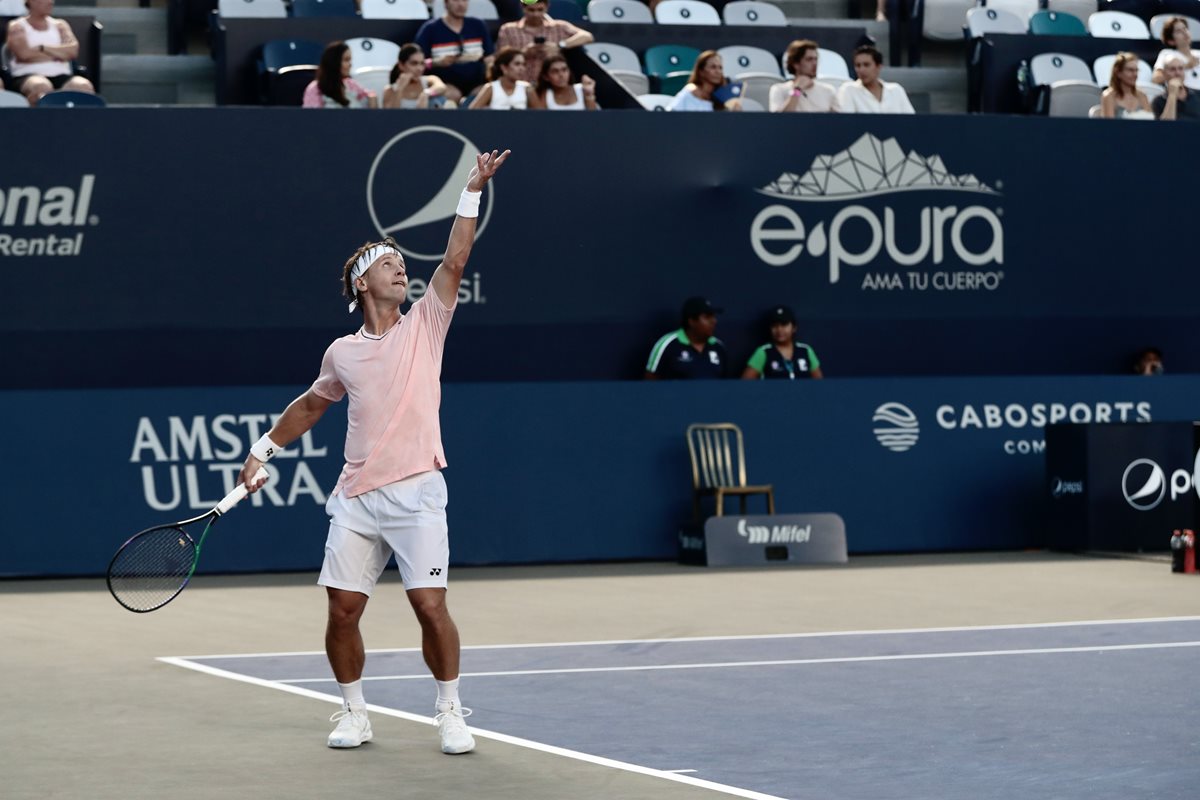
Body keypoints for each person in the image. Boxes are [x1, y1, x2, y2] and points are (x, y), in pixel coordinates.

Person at [236, 148, 511, 753]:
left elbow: (456, 258)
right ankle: (353, 713)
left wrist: (471, 190)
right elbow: (311, 405)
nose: (400, 269)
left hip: (417, 491)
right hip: (357, 498)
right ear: (363, 282)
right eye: (389, 264)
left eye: (402, 264)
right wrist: (262, 450)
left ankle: (449, 710)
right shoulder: (342, 352)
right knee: (341, 611)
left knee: (430, 606)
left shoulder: (427, 323)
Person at [5, 0, 95, 106]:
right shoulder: (17, 26)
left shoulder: (60, 25)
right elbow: (24, 54)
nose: (50, 2)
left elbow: (73, 51)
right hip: (27, 76)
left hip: (62, 75)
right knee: (41, 87)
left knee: (84, 86)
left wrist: (42, 48)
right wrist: (59, 54)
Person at [496, 0, 593, 90]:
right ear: (523, 7)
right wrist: (524, 52)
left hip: (552, 86)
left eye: (540, 10)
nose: (536, 14)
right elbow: (500, 58)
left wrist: (559, 46)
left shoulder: (559, 26)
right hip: (519, 85)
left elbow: (587, 36)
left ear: (547, 8)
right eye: (531, 10)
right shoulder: (508, 29)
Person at [415, 0, 495, 104]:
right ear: (446, 3)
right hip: (445, 84)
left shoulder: (478, 25)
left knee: (486, 92)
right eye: (456, 0)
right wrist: (437, 62)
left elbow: (489, 57)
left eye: (464, 0)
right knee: (452, 95)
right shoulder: (430, 29)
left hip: (477, 84)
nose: (461, 4)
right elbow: (416, 62)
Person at [645, 297, 730, 379]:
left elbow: (727, 383)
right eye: (707, 317)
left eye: (714, 317)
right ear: (691, 321)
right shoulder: (667, 344)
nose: (714, 321)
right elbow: (650, 381)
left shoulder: (718, 347)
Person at [741, 306, 824, 380]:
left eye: (784, 325)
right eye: (774, 326)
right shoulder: (763, 352)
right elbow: (745, 384)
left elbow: (819, 383)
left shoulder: (806, 350)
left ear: (794, 327)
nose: (779, 330)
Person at [836, 45, 914, 114]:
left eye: (866, 65)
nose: (861, 70)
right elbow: (846, 121)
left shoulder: (896, 90)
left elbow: (911, 120)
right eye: (858, 65)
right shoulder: (848, 90)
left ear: (878, 67)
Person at [769, 39, 839, 113]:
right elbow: (780, 119)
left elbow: (840, 119)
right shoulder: (779, 90)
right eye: (809, 59)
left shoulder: (828, 91)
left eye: (816, 59)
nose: (814, 63)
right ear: (796, 64)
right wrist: (797, 91)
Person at [303, 41, 377, 108]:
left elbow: (369, 95)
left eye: (350, 60)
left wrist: (372, 98)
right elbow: (312, 116)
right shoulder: (315, 89)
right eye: (346, 60)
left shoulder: (351, 84)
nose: (350, 64)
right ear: (334, 62)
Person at [382, 42, 455, 109]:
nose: (420, 68)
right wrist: (399, 89)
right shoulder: (390, 90)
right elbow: (391, 115)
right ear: (401, 65)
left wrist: (426, 93)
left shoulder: (429, 80)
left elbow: (441, 87)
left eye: (422, 63)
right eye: (414, 63)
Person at [667, 50, 742, 112]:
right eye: (713, 67)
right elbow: (670, 115)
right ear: (701, 71)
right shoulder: (690, 91)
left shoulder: (725, 95)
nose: (718, 71)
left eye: (720, 68)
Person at [527, 53, 597, 110]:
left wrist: (589, 95)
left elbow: (593, 118)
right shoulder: (545, 94)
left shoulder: (582, 89)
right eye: (555, 71)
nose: (561, 75)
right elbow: (541, 119)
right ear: (546, 77)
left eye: (564, 70)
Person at [1099, 52, 1154, 119]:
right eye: (1130, 70)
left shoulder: (1142, 96)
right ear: (1118, 73)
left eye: (1136, 70)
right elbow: (1109, 124)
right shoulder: (1108, 96)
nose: (1135, 74)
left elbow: (1150, 122)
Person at [1152, 17, 1200, 90]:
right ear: (1171, 41)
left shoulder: (1198, 53)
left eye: (1185, 28)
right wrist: (1184, 67)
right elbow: (1156, 79)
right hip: (1183, 94)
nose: (1185, 33)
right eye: (1178, 31)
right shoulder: (1167, 54)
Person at [1154, 53, 1200, 120]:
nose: (1177, 73)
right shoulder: (1158, 101)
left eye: (1180, 68)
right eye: (1172, 69)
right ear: (1164, 73)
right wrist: (1172, 95)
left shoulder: (1198, 94)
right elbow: (1165, 125)